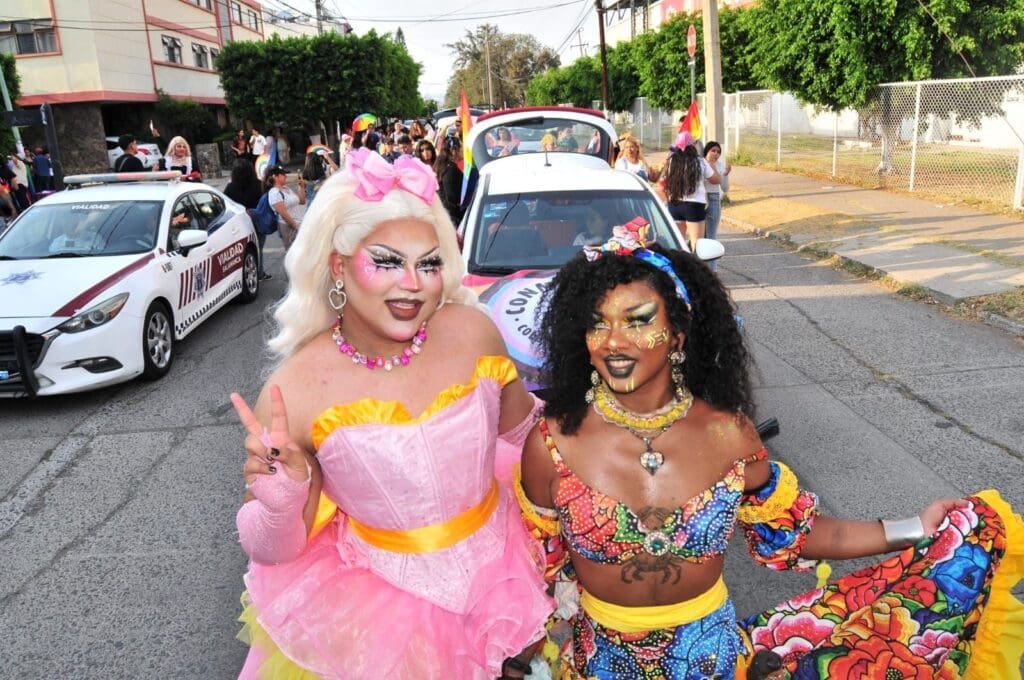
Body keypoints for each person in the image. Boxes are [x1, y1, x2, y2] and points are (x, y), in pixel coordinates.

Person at [517, 222, 1024, 679]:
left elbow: (798, 534)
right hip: (598, 663)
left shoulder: (729, 434)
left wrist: (915, 527)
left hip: (714, 662)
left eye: (637, 320)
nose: (613, 341)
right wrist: (517, 654)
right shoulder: (552, 443)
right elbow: (530, 568)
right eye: (597, 323)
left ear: (677, 335)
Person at [229, 146, 554, 678]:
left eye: (428, 263)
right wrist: (280, 501)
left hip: (508, 575)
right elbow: (273, 551)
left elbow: (529, 437)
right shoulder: (293, 393)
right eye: (386, 261)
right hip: (376, 625)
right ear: (338, 266)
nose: (413, 283)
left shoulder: (473, 332)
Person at [658, 131, 718, 252]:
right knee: (697, 245)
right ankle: (695, 264)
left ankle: (679, 264)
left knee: (678, 245)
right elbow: (715, 179)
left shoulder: (671, 161)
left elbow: (664, 180)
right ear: (693, 146)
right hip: (694, 205)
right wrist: (711, 163)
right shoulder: (700, 161)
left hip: (675, 203)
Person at [224, 158, 271, 281]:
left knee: (242, 249)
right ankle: (259, 272)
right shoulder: (259, 184)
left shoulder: (230, 187)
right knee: (258, 247)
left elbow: (226, 204)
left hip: (239, 222)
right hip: (256, 219)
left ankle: (244, 273)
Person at [263, 165, 306, 251]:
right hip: (289, 227)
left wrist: (301, 187)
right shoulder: (274, 193)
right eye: (283, 174)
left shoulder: (286, 189)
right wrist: (297, 227)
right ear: (275, 177)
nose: (286, 176)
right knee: (295, 252)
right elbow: (284, 214)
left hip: (299, 222)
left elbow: (302, 201)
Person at [435, 135, 464, 226]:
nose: (462, 151)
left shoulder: (444, 166)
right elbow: (451, 196)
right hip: (452, 216)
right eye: (460, 147)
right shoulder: (450, 169)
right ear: (453, 150)